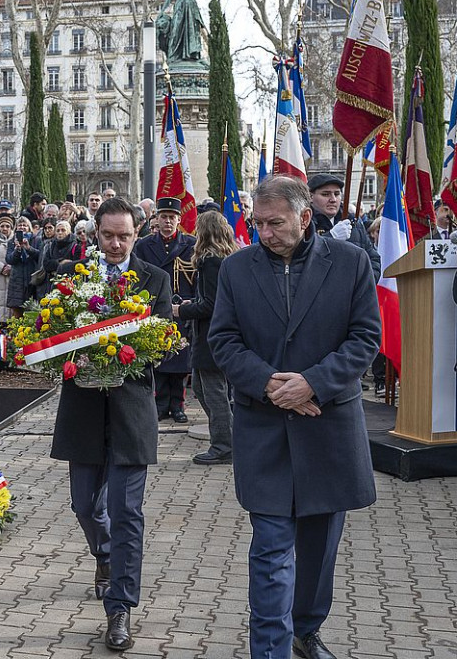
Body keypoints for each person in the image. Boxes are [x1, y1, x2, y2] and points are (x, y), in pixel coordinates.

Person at [208, 176, 380, 659]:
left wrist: (313, 383)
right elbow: (223, 341)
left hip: (328, 429)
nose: (264, 232)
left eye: (275, 223)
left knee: (319, 550)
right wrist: (269, 385)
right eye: (257, 223)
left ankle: (305, 631)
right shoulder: (236, 269)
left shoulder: (350, 264)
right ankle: (270, 649)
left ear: (305, 218)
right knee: (270, 550)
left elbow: (365, 338)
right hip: (263, 431)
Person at [50, 196, 173, 652]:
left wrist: (130, 346)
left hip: (132, 411)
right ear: (94, 234)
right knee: (85, 506)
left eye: (124, 235)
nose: (116, 243)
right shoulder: (71, 277)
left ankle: (119, 609)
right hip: (82, 409)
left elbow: (162, 341)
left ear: (136, 234)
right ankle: (104, 557)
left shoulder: (155, 279)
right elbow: (50, 333)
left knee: (127, 513)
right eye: (108, 235)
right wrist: (71, 352)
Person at [176, 211, 236, 465]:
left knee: (213, 392)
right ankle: (228, 437)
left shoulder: (211, 260)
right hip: (213, 334)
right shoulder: (225, 257)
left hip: (212, 336)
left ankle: (224, 445)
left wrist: (183, 309)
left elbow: (211, 305)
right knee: (203, 388)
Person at [133, 197, 196, 423]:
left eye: (172, 217)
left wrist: (194, 302)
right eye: (164, 217)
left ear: (179, 220)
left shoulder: (190, 244)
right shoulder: (144, 245)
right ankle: (160, 404)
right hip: (155, 306)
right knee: (158, 356)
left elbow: (197, 277)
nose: (168, 222)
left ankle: (178, 405)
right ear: (156, 219)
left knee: (180, 359)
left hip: (181, 307)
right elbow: (137, 276)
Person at [308, 174, 381, 281]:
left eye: (337, 194)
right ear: (311, 197)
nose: (333, 199)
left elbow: (373, 258)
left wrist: (364, 284)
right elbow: (301, 261)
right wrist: (330, 238)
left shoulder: (353, 221)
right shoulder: (304, 222)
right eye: (325, 194)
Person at [156, 0, 213, 65]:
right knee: (176, 29)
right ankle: (173, 55)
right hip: (179, 6)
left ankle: (192, 55)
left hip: (191, 7)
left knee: (191, 30)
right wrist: (162, 10)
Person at [5, 216, 40, 316]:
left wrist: (29, 248)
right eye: (20, 225)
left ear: (29, 227)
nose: (22, 227)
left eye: (25, 225)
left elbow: (39, 256)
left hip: (32, 279)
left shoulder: (36, 240)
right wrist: (17, 250)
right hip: (17, 281)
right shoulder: (12, 241)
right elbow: (9, 259)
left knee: (33, 312)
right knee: (17, 312)